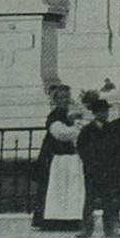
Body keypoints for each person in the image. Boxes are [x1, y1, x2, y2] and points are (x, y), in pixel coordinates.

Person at [33, 85, 85, 230]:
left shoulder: (70, 114)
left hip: (68, 157)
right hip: (55, 156)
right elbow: (60, 133)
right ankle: (52, 220)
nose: (64, 100)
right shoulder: (55, 115)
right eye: (61, 97)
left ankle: (69, 219)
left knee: (69, 188)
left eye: (66, 97)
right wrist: (77, 129)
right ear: (55, 99)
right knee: (55, 188)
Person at [76, 99, 120, 238]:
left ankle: (109, 229)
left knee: (109, 199)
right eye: (102, 111)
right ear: (95, 113)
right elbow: (81, 148)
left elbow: (117, 147)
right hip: (93, 170)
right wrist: (90, 161)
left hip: (108, 169)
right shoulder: (87, 130)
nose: (105, 114)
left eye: (106, 111)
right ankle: (87, 229)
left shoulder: (112, 128)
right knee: (89, 200)